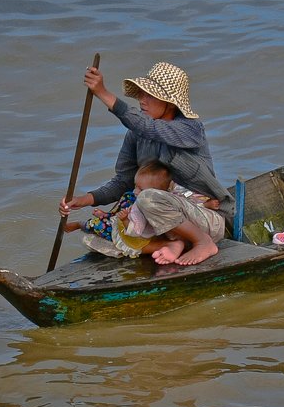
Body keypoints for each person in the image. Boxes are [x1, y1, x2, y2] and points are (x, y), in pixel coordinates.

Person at [58, 61, 234, 266]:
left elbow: (151, 128)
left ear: (169, 103)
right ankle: (172, 244)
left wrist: (103, 93)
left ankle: (202, 243)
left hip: (205, 217)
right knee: (97, 239)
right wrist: (84, 200)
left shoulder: (190, 129)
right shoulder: (136, 136)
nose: (142, 100)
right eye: (141, 94)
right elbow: (124, 181)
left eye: (149, 95)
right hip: (161, 220)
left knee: (148, 198)